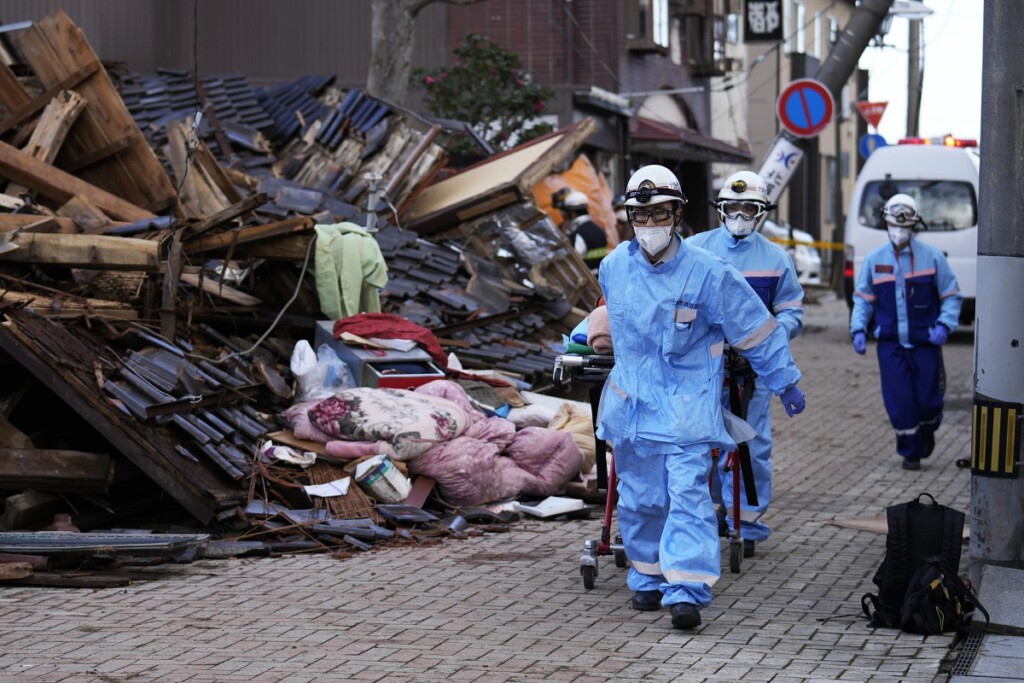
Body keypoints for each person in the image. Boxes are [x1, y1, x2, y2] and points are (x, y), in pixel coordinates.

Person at [594, 164, 806, 629]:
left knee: (688, 495)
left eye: (660, 214)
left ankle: (687, 589)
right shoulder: (613, 268)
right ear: (630, 217)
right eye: (641, 216)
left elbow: (755, 329)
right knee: (641, 499)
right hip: (633, 408)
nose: (650, 225)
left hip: (689, 408)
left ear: (678, 214)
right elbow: (608, 317)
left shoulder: (710, 273)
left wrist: (783, 380)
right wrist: (592, 336)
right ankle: (648, 577)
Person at [686, 171, 805, 559]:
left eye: (748, 208)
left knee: (752, 446)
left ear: (760, 212)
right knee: (699, 444)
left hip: (752, 373)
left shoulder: (775, 260)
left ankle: (748, 521)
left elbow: (792, 312)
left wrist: (770, 337)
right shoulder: (693, 250)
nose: (739, 215)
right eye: (732, 207)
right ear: (720, 210)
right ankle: (706, 514)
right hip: (700, 370)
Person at [849, 193, 962, 471]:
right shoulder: (875, 261)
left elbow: (951, 296)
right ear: (886, 223)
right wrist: (858, 329)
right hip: (890, 346)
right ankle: (910, 453)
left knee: (928, 401)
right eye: (893, 224)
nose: (899, 230)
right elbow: (863, 299)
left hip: (925, 343)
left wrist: (944, 325)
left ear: (914, 226)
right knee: (900, 402)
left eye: (904, 225)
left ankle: (927, 430)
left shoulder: (932, 258)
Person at [560, 189, 608, 269]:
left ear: (572, 213)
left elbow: (575, 262)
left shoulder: (579, 233)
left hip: (589, 279)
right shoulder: (599, 230)